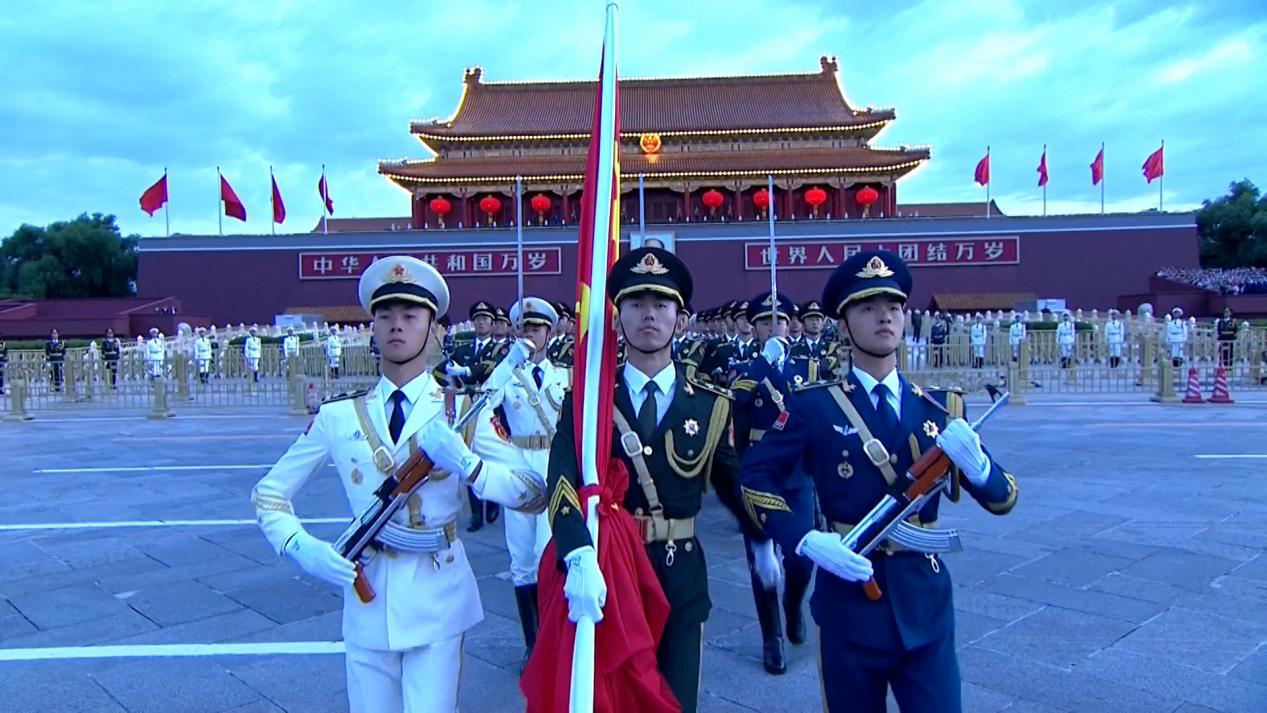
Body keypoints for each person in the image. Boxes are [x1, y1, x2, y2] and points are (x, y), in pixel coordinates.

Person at [251, 256, 543, 713]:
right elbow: (269, 495)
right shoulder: (339, 415)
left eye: (410, 316)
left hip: (438, 595)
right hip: (366, 593)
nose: (396, 326)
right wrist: (300, 546)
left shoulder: (460, 411)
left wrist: (471, 467)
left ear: (433, 328)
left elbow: (532, 490)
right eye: (385, 315)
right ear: (372, 327)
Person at [740, 250, 1018, 713]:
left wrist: (978, 468)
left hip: (925, 603)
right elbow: (754, 478)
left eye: (893, 306)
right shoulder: (813, 407)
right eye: (867, 307)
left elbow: (1004, 498)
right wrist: (804, 539)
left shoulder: (940, 409)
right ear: (844, 326)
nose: (884, 316)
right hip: (849, 601)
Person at [547, 247, 759, 713]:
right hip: (610, 572)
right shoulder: (587, 401)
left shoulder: (710, 404)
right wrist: (576, 552)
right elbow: (561, 483)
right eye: (636, 303)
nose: (649, 315)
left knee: (675, 702)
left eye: (661, 304)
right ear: (617, 317)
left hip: (678, 575)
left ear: (680, 320)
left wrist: (782, 535)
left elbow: (736, 487)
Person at [470, 297, 567, 671]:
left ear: (550, 333)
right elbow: (482, 404)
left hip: (554, 462)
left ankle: (556, 640)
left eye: (537, 329)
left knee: (551, 553)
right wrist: (507, 364)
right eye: (525, 328)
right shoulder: (507, 375)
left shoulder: (564, 375)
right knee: (522, 557)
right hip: (518, 463)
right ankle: (533, 643)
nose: (531, 335)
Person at [730, 291, 814, 675]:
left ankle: (793, 605)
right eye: (765, 322)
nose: (773, 327)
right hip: (758, 471)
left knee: (801, 559)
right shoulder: (745, 367)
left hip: (796, 471)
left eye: (779, 321)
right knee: (763, 563)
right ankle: (772, 638)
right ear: (756, 328)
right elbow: (736, 400)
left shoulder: (807, 366)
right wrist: (764, 362)